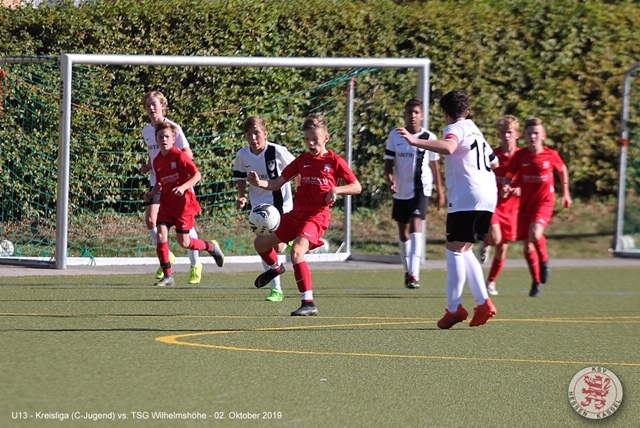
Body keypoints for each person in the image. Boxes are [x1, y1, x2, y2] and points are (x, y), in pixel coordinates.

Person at [396, 89, 498, 329]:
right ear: (467, 111)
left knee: (454, 250)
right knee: (464, 249)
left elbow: (450, 147)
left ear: (444, 113)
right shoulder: (475, 129)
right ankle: (483, 302)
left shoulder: (454, 128)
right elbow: (494, 161)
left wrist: (414, 141)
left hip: (467, 196)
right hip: (488, 195)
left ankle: (454, 309)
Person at [247, 113, 362, 316]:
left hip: (317, 216)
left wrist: (336, 190)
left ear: (326, 138)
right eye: (307, 139)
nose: (310, 143)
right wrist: (259, 183)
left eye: (315, 139)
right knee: (260, 244)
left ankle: (308, 302)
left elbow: (356, 186)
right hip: (296, 214)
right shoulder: (301, 161)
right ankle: (275, 268)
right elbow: (277, 183)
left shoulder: (334, 161)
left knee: (297, 252)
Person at [144, 122, 225, 287]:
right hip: (167, 205)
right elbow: (160, 182)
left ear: (173, 139)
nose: (164, 139)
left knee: (185, 243)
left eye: (167, 136)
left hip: (183, 205)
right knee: (160, 235)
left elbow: (197, 175)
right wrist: (152, 193)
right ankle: (168, 276)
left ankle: (210, 247)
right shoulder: (157, 160)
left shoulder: (180, 156)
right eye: (161, 137)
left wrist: (183, 187)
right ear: (156, 140)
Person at [503, 117, 572, 297]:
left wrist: (566, 193)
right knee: (527, 246)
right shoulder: (520, 156)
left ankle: (544, 261)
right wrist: (506, 184)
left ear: (543, 135)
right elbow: (510, 173)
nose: (532, 136)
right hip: (526, 204)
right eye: (529, 133)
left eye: (536, 133)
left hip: (544, 202)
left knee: (535, 234)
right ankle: (536, 281)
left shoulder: (551, 154)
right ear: (524, 136)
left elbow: (562, 170)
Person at [141, 90, 203, 284]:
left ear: (163, 106)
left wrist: (176, 167)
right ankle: (166, 256)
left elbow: (187, 153)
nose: (151, 108)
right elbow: (155, 154)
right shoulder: (146, 131)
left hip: (178, 183)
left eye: (154, 104)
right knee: (151, 220)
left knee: (185, 230)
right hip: (158, 181)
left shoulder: (174, 128)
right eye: (148, 105)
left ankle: (195, 264)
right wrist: (149, 165)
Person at [233, 116, 296, 302]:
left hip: (281, 205)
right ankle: (276, 289)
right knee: (263, 244)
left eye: (257, 133)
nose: (253, 138)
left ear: (265, 134)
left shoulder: (277, 151)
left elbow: (297, 169)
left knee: (277, 247)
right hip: (259, 207)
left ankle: (288, 240)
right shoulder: (243, 155)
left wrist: (300, 191)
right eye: (249, 134)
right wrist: (242, 196)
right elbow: (240, 177)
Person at [384, 98, 445, 289]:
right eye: (409, 112)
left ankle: (414, 274)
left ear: (422, 115)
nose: (413, 115)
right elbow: (388, 163)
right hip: (401, 189)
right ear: (405, 114)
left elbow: (434, 166)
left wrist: (440, 191)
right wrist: (390, 180)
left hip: (422, 188)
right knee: (404, 232)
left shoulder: (429, 136)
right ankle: (408, 270)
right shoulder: (395, 135)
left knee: (416, 224)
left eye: (416, 112)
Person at [477, 115, 522, 296]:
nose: (506, 136)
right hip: (493, 204)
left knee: (502, 247)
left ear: (517, 134)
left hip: (512, 207)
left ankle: (491, 282)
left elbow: (527, 182)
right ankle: (487, 241)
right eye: (503, 132)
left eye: (510, 132)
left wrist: (518, 189)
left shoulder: (522, 157)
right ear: (499, 135)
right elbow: (482, 176)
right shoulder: (493, 155)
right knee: (496, 238)